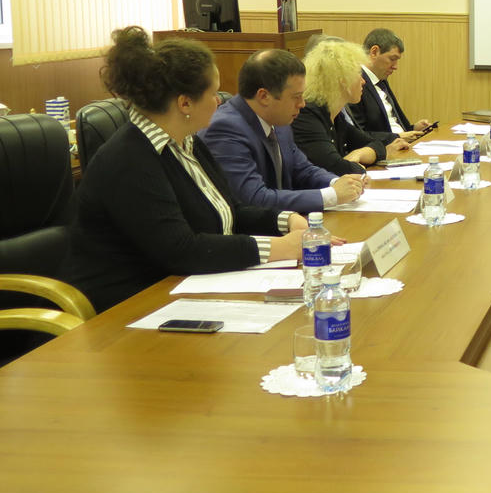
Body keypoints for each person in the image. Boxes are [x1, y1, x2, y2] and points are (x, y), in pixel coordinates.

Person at [66, 27, 306, 312]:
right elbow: (181, 250)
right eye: (213, 93)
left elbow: (231, 210)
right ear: (185, 103)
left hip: (183, 288)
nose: (220, 101)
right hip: (129, 307)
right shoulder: (128, 159)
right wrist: (279, 248)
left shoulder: (187, 143)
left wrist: (285, 220)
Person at [202, 49, 366, 214]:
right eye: (296, 97)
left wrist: (337, 183)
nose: (302, 104)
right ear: (264, 96)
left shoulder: (279, 120)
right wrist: (332, 195)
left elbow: (302, 169)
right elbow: (253, 198)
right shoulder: (225, 129)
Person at [294, 39, 410, 176]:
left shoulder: (335, 115)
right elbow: (336, 168)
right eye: (358, 74)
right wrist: (356, 165)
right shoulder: (307, 115)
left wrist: (359, 154)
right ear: (342, 80)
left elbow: (377, 145)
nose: (363, 81)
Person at [348, 28, 434, 141]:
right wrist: (397, 137)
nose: (395, 66)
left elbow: (391, 123)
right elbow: (358, 136)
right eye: (392, 59)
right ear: (374, 52)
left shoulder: (381, 81)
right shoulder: (356, 84)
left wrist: (413, 128)